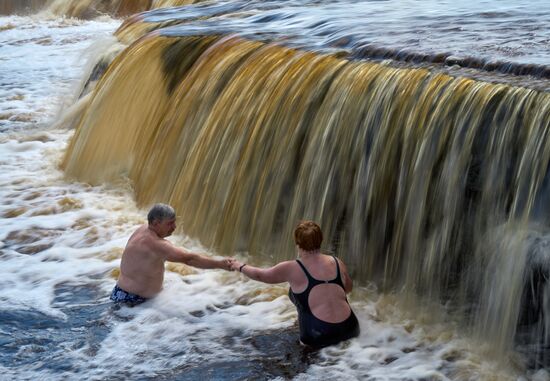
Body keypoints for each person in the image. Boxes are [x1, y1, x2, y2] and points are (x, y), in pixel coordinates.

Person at [230, 220, 360, 348]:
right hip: (350, 328)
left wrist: (238, 265)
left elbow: (260, 275)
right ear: (321, 240)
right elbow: (348, 288)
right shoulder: (336, 262)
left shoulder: (291, 268)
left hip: (320, 333)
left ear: (297, 243)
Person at [110, 203, 234, 306]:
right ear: (156, 223)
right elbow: (189, 259)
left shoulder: (143, 229)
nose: (174, 227)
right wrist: (220, 264)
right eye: (170, 223)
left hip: (121, 294)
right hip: (133, 302)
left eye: (174, 222)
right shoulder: (156, 244)